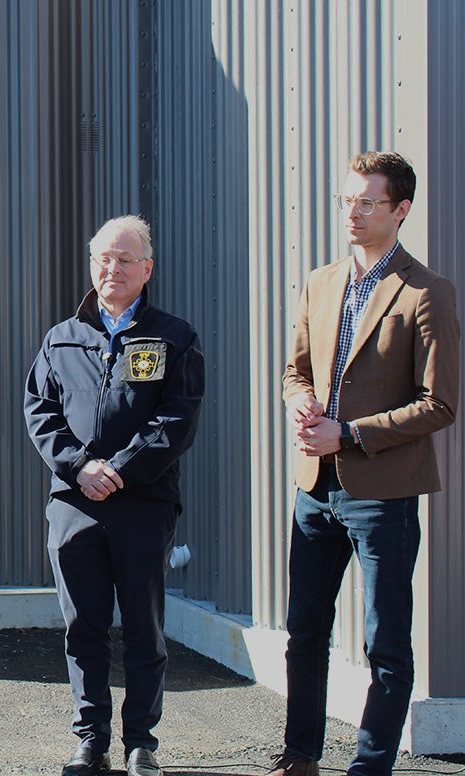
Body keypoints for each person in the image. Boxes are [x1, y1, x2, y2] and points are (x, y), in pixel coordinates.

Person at [268, 152, 459, 776]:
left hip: (383, 493)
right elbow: (295, 370)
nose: (352, 212)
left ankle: (371, 764)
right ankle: (300, 756)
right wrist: (302, 405)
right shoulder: (321, 283)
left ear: (401, 210)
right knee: (303, 633)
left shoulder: (427, 292)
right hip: (314, 489)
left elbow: (440, 404)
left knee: (386, 642)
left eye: (368, 202)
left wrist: (345, 433)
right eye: (347, 200)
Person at [24, 215, 205, 776]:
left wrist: (119, 470)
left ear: (146, 269)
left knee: (144, 627)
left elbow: (177, 420)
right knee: (84, 627)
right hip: (74, 503)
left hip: (142, 505)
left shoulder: (174, 337)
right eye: (103, 258)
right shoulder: (62, 338)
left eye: (125, 259)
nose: (112, 268)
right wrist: (81, 467)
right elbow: (40, 412)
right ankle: (90, 739)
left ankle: (141, 743)